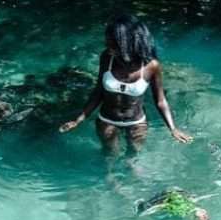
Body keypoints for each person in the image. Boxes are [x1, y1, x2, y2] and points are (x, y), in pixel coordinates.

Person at [59, 14, 192, 154]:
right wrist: (78, 119)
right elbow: (98, 91)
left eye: (112, 42)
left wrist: (173, 128)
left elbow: (160, 100)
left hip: (136, 122)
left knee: (133, 157)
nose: (106, 44)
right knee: (109, 156)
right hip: (106, 119)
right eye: (107, 40)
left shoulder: (151, 66)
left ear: (128, 42)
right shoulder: (107, 58)